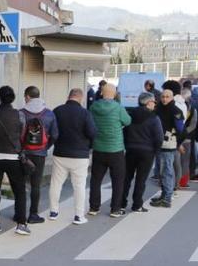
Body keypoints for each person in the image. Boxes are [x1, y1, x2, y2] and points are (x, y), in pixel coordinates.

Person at [0, 85, 29, 236]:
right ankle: (21, 223)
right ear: (13, 98)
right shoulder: (20, 115)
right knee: (19, 191)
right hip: (14, 157)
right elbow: (22, 134)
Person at [48, 88, 96, 224]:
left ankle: (53, 211)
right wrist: (89, 147)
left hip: (60, 153)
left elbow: (52, 131)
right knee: (79, 186)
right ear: (80, 98)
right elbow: (92, 133)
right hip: (80, 155)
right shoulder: (85, 113)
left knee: (56, 184)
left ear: (69, 96)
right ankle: (78, 216)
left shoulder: (57, 111)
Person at [88, 82, 132, 217]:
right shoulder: (118, 108)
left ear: (101, 93)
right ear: (114, 94)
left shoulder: (94, 106)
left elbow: (90, 122)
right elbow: (128, 121)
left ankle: (94, 208)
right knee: (118, 180)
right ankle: (115, 209)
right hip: (116, 149)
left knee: (95, 179)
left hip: (99, 148)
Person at [20, 86, 58, 224]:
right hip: (40, 154)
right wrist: (45, 147)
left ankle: (20, 215)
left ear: (28, 97)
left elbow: (16, 135)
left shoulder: (21, 113)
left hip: (24, 154)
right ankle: (33, 214)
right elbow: (55, 135)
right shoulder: (49, 114)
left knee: (21, 184)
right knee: (36, 185)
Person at [122, 93, 163, 212]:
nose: (155, 104)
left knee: (126, 178)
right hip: (147, 152)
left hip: (130, 150)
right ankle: (137, 204)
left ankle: (121, 203)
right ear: (148, 102)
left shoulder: (130, 115)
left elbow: (125, 132)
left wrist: (127, 145)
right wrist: (156, 150)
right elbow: (159, 137)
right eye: (154, 102)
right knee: (141, 180)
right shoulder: (154, 118)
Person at [150, 89, 185, 208]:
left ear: (172, 98)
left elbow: (181, 130)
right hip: (159, 143)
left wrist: (178, 144)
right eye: (163, 97)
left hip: (169, 143)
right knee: (161, 171)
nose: (164, 99)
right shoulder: (158, 109)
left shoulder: (176, 111)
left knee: (167, 171)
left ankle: (167, 198)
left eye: (167, 97)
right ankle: (164, 195)